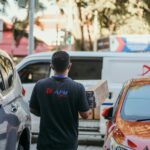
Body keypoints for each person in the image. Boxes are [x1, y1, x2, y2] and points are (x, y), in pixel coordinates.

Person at [30, 51, 91, 150]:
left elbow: (33, 109)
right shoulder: (78, 87)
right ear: (69, 66)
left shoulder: (40, 85)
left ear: (51, 66)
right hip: (68, 144)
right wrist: (90, 108)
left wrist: (47, 113)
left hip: (45, 143)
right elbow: (85, 114)